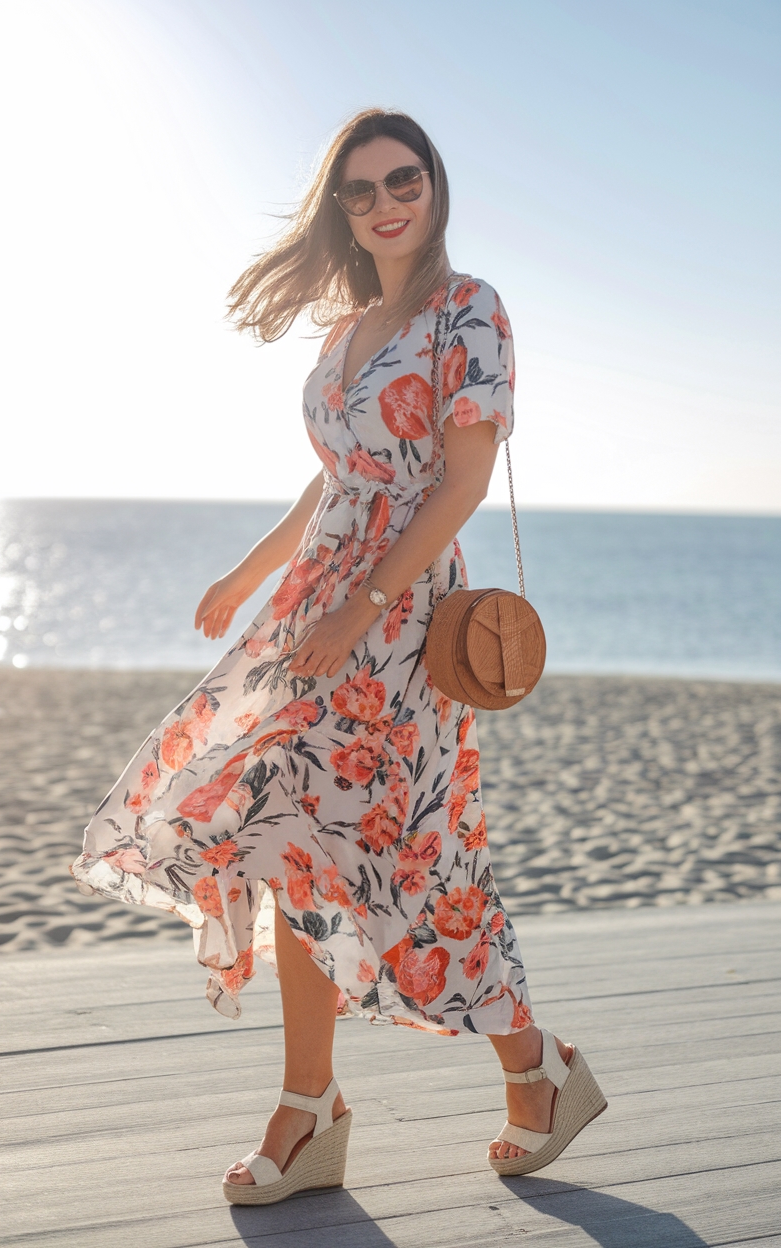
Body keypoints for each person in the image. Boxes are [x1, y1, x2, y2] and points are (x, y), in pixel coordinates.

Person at [71, 108, 606, 1206]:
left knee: (414, 869)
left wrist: (359, 610)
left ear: (435, 184)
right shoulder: (346, 331)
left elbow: (455, 485)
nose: (384, 203)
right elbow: (335, 480)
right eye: (359, 191)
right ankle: (310, 1106)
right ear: (341, 211)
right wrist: (250, 574)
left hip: (400, 618)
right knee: (278, 834)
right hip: (318, 604)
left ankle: (534, 1067)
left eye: (401, 179)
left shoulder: (472, 311)